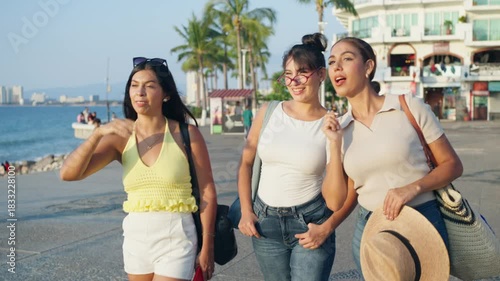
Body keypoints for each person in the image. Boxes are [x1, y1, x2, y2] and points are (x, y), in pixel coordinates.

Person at [60, 57, 218, 281]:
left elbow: (207, 191)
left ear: (166, 94)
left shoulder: (187, 134)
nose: (140, 92)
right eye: (134, 85)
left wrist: (208, 246)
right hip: (136, 238)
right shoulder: (120, 139)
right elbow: (68, 173)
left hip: (177, 236)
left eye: (150, 86)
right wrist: (97, 134)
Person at [325, 37, 463, 277]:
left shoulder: (408, 106)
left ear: (368, 67)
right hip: (371, 230)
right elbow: (336, 201)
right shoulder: (339, 129)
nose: (337, 67)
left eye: (346, 59)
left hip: (422, 219)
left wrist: (413, 187)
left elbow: (452, 165)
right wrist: (334, 144)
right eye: (332, 62)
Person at [237, 33, 349, 281]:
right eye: (288, 74)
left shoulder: (332, 125)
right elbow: (246, 162)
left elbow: (337, 200)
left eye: (302, 73)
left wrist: (334, 144)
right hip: (265, 223)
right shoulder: (269, 111)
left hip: (310, 223)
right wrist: (246, 211)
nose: (294, 81)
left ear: (321, 75)